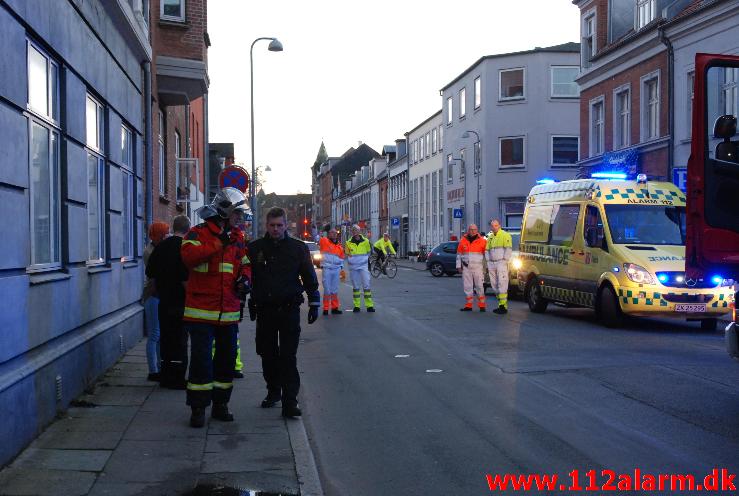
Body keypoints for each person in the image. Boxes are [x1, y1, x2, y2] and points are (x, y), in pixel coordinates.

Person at [181, 187, 250, 427]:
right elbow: (189, 258)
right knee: (201, 362)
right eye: (237, 213)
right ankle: (198, 408)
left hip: (228, 311)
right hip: (201, 312)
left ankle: (221, 404)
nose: (240, 218)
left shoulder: (237, 237)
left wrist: (246, 278)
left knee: (226, 361)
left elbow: (244, 262)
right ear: (224, 211)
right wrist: (219, 243)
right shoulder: (196, 233)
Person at [248, 207, 320, 418]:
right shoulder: (255, 249)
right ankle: (273, 391)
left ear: (286, 225)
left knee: (288, 357)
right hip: (265, 311)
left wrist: (314, 302)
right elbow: (247, 277)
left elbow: (308, 277)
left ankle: (290, 402)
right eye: (272, 225)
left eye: (280, 225)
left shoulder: (297, 248)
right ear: (266, 225)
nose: (276, 229)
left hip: (289, 310)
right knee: (267, 355)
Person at [146, 215, 191, 389]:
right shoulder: (186, 247)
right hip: (181, 301)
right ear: (187, 230)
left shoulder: (161, 247)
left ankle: (165, 376)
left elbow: (150, 271)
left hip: (163, 300)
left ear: (173, 228)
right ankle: (178, 377)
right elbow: (186, 275)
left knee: (165, 338)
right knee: (180, 340)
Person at [142, 221, 169, 381]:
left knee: (158, 334)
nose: (167, 235)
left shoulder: (155, 249)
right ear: (159, 235)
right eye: (165, 233)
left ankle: (159, 366)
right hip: (152, 295)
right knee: (154, 334)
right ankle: (153, 370)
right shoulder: (150, 251)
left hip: (157, 294)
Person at [456, 224, 487, 312]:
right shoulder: (463, 241)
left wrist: (486, 267)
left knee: (479, 286)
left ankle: (482, 305)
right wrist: (458, 266)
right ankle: (468, 305)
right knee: (467, 287)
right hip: (466, 267)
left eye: (474, 229)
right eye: (471, 229)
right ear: (468, 230)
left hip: (478, 267)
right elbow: (459, 255)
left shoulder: (482, 241)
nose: (472, 231)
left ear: (477, 230)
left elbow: (486, 255)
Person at [345, 225, 374, 312]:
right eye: (353, 230)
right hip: (353, 268)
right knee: (356, 287)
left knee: (366, 285)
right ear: (351, 232)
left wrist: (364, 260)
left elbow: (369, 252)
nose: (354, 232)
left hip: (363, 267)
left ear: (359, 231)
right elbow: (347, 254)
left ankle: (369, 306)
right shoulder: (348, 242)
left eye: (356, 230)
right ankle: (356, 306)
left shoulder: (366, 241)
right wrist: (352, 260)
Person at [486, 219, 513, 314]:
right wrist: (488, 261)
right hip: (492, 263)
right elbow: (487, 250)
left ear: (499, 225)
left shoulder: (505, 235)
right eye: (492, 226)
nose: (494, 227)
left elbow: (508, 249)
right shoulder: (490, 237)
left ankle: (503, 306)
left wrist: (504, 261)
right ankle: (500, 304)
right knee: (494, 285)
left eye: (496, 225)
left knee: (502, 283)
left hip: (501, 262)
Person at [318, 228, 345, 315]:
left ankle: (334, 308)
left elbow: (341, 259)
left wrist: (342, 269)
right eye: (331, 233)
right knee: (327, 290)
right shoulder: (324, 241)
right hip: (327, 268)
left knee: (334, 290)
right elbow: (318, 236)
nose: (334, 234)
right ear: (328, 234)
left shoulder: (340, 247)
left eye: (335, 233)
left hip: (336, 269)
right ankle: (325, 308)